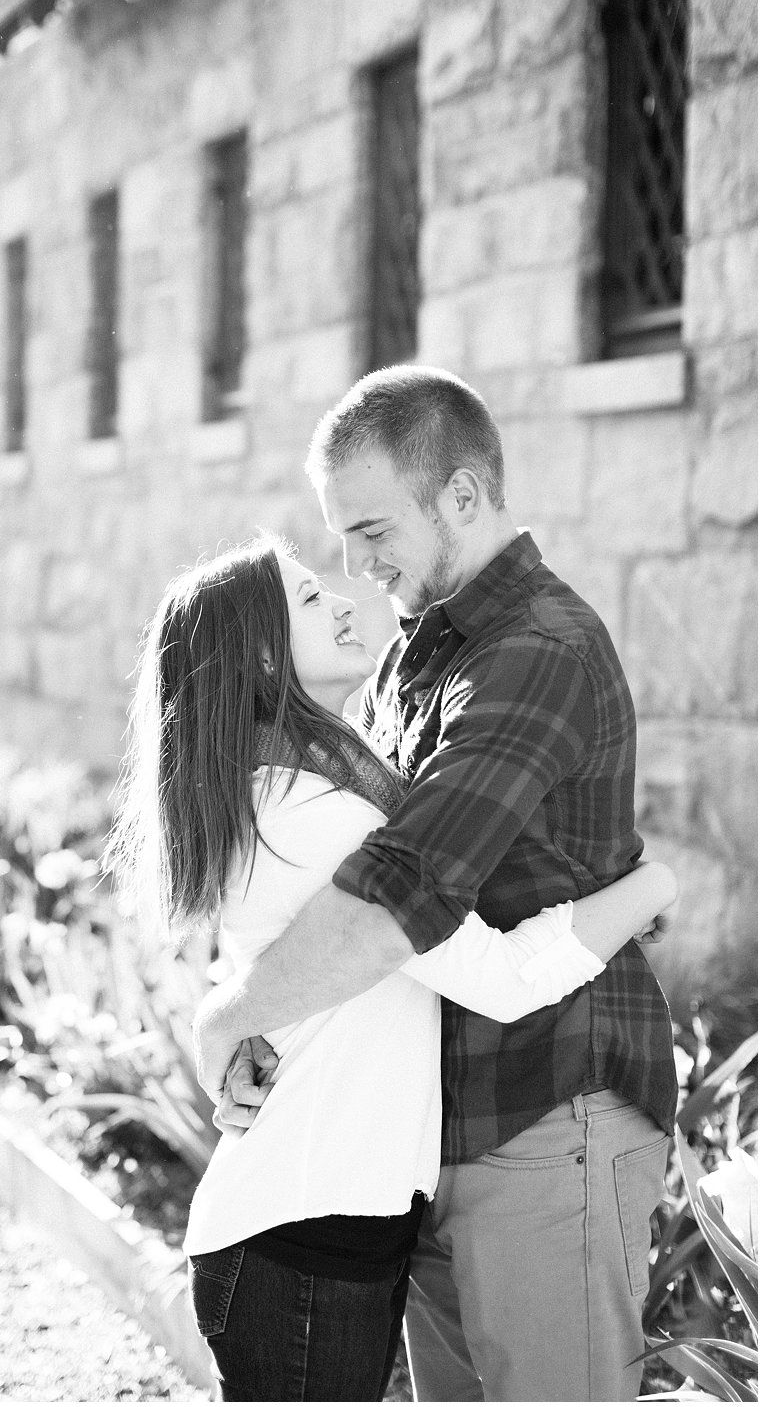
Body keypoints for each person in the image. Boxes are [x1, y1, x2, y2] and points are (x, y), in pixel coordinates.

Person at [192, 367, 680, 1401]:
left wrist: (221, 1022)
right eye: (340, 539)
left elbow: (392, 899)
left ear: (460, 496)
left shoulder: (532, 650)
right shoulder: (419, 649)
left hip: (548, 1116)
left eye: (370, 530)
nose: (354, 564)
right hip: (440, 1136)